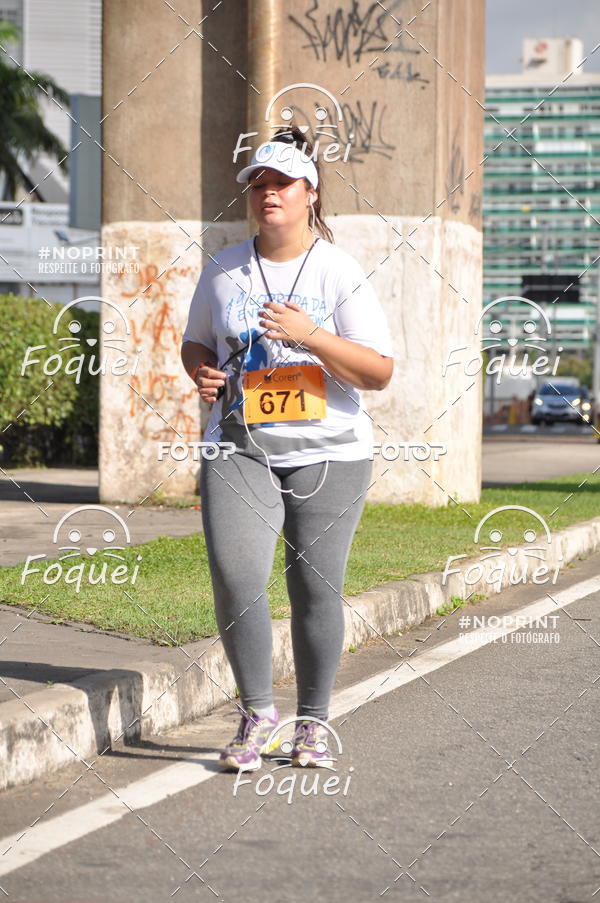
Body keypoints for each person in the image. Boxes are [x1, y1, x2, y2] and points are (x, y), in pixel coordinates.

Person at [181, 126, 394, 771]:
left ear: (310, 194)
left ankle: (313, 721)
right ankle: (256, 715)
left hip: (331, 448)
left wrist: (311, 336)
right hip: (239, 444)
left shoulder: (338, 271)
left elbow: (379, 371)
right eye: (258, 184)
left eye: (282, 183)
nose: (267, 193)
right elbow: (195, 342)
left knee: (314, 586)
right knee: (237, 576)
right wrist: (202, 371)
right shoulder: (222, 267)